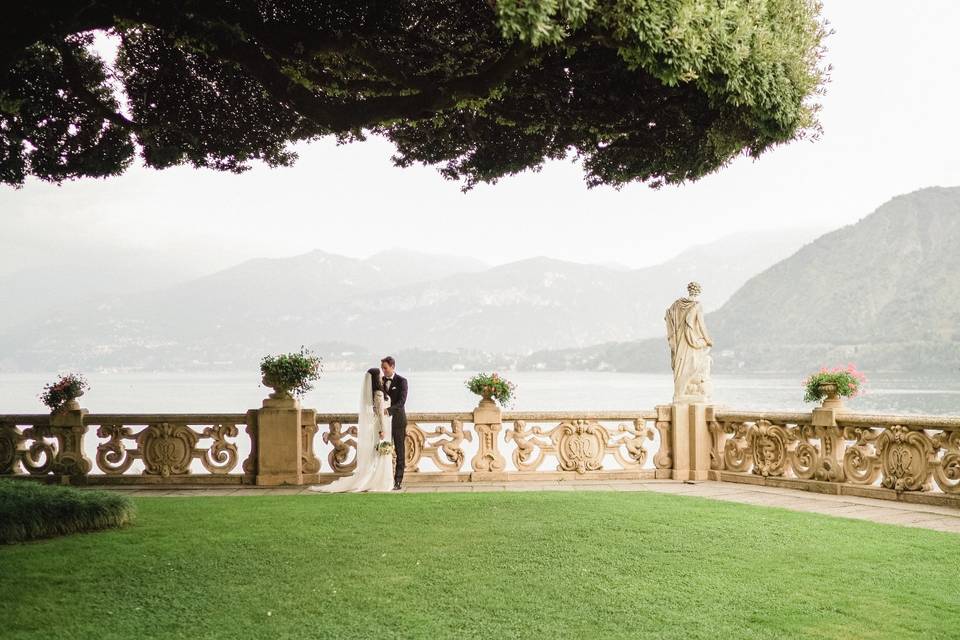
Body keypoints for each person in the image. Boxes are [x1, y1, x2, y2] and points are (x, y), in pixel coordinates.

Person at [309, 367, 393, 493]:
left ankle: (377, 477)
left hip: (377, 426)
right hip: (381, 426)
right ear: (376, 378)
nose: (382, 377)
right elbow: (380, 414)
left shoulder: (374, 393)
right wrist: (383, 430)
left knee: (377, 452)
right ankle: (379, 479)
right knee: (380, 452)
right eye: (380, 375)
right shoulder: (379, 394)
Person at [380, 356, 408, 491]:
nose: (383, 370)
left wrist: (388, 410)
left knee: (400, 452)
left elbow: (402, 402)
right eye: (382, 368)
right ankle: (384, 479)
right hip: (384, 423)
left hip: (398, 421)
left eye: (385, 368)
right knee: (382, 450)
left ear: (392, 366)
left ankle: (398, 481)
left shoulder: (402, 381)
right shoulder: (380, 382)